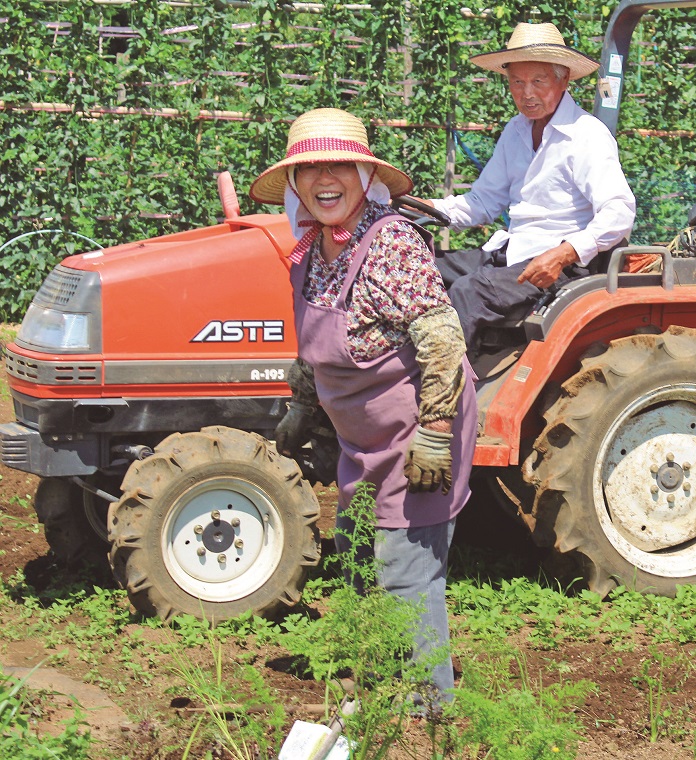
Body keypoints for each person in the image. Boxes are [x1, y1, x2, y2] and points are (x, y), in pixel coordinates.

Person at [250, 108, 476, 709]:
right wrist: (302, 402)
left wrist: (434, 429)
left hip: (416, 428)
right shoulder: (312, 250)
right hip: (364, 440)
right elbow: (315, 344)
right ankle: (379, 686)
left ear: (363, 173)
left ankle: (428, 714)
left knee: (405, 568)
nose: (325, 178)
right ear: (295, 183)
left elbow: (442, 337)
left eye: (339, 165)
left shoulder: (390, 242)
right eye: (310, 168)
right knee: (353, 554)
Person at [428, 21, 636, 348]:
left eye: (538, 81)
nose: (527, 93)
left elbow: (619, 211)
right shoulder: (516, 131)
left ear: (564, 78)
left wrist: (564, 254)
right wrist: (423, 209)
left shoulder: (587, 135)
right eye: (517, 82)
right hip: (515, 251)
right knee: (421, 267)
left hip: (564, 268)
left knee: (468, 293)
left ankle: (440, 393)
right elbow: (483, 203)